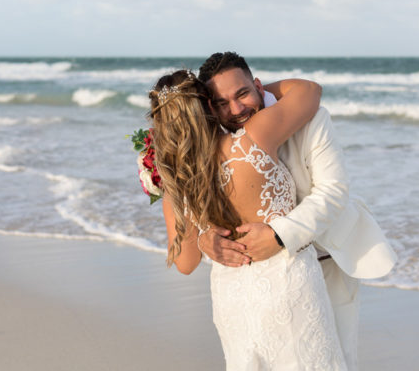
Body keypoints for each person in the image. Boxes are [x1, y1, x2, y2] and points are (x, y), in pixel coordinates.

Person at [197, 52, 397, 371]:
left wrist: (280, 235)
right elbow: (204, 206)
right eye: (222, 103)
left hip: (325, 257)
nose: (236, 110)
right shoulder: (213, 139)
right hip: (260, 278)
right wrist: (205, 239)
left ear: (258, 86)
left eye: (243, 93)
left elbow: (334, 192)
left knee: (333, 361)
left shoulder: (312, 116)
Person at [149, 69, 348, 370]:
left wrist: (203, 237)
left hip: (232, 299)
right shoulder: (255, 136)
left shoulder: (178, 184)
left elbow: (185, 263)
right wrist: (249, 90)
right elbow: (309, 90)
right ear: (208, 106)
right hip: (289, 284)